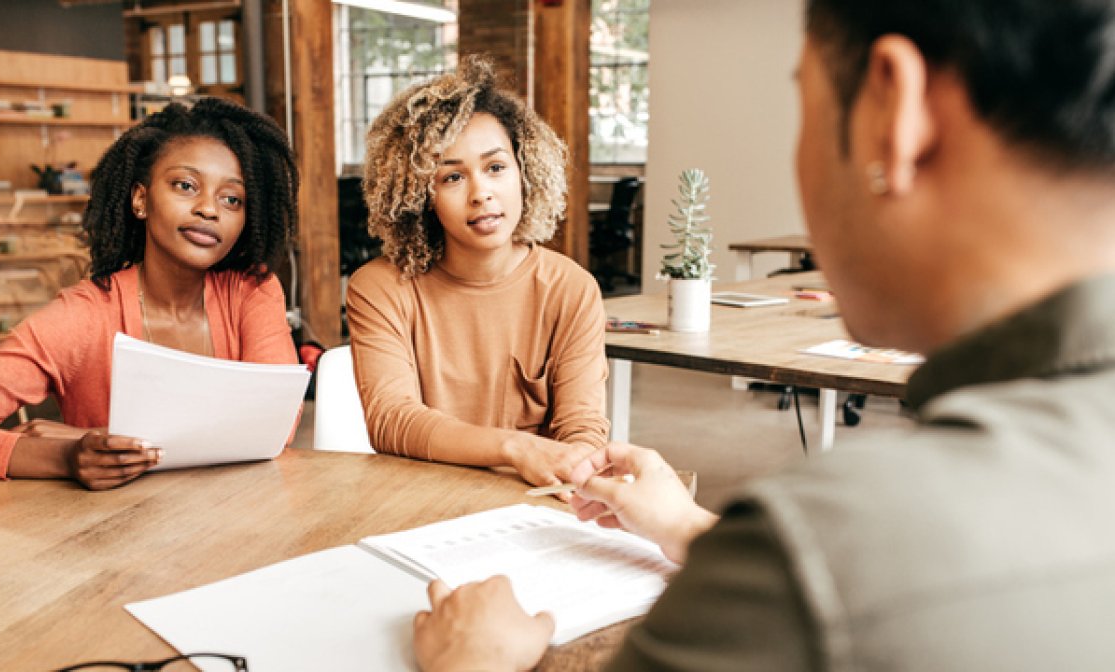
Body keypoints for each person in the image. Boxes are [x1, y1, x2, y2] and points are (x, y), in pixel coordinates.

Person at [410, 0, 1115, 669]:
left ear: (891, 114)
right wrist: (688, 529)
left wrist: (474, 660)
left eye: (800, 106)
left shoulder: (809, 557)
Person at [0, 98, 300, 491]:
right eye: (185, 186)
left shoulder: (251, 291)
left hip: (234, 523)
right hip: (104, 536)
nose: (208, 209)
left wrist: (73, 435)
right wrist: (63, 457)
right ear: (140, 199)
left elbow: (275, 426)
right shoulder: (84, 315)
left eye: (231, 199)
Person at [345, 57, 609, 489]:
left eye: (495, 167)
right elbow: (391, 421)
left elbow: (582, 427)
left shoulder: (571, 288)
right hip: (417, 503)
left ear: (525, 173)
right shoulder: (379, 289)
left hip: (532, 499)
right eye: (452, 177)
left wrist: (577, 463)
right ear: (420, 196)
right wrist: (515, 448)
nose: (480, 193)